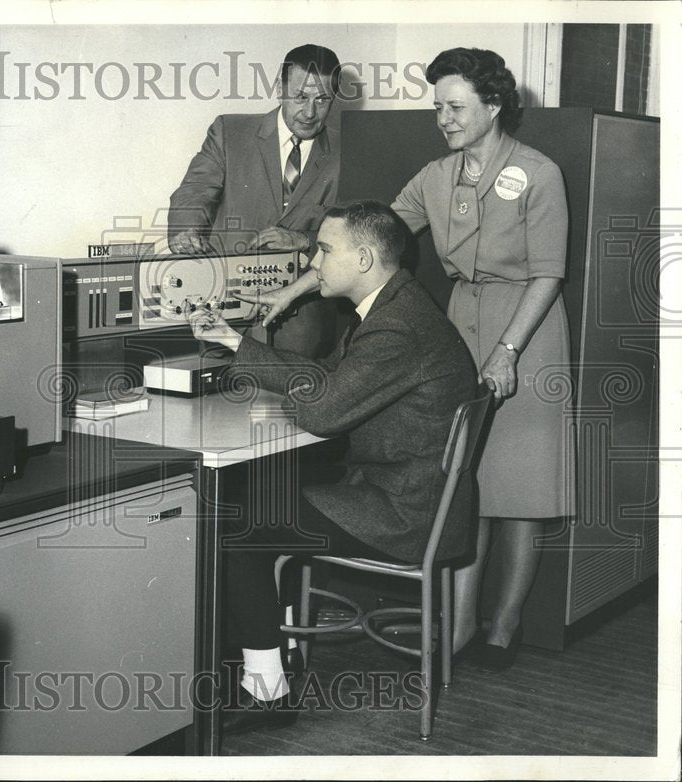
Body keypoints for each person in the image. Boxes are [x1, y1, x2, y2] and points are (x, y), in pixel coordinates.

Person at [255, 48, 575, 671]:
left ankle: (502, 632)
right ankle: (455, 630)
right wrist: (295, 287)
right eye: (438, 108)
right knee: (464, 482)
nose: (444, 120)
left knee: (522, 491)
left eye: (455, 107)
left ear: (494, 104)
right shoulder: (436, 177)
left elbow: (549, 273)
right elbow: (366, 241)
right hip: (464, 321)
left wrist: (509, 350)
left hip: (529, 331)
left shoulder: (539, 174)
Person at [189, 201, 477, 735]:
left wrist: (287, 384)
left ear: (364, 258)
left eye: (324, 250)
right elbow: (330, 376)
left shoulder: (396, 327)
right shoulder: (396, 305)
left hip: (402, 514)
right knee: (257, 491)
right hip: (412, 495)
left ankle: (267, 688)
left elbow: (324, 409)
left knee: (238, 521)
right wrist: (237, 344)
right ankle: (266, 653)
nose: (313, 262)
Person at [169, 43, 342, 357]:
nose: (309, 112)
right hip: (224, 317)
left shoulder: (347, 152)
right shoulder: (229, 131)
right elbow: (193, 192)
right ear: (279, 88)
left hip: (303, 331)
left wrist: (304, 239)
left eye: (322, 100)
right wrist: (187, 233)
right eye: (300, 97)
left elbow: (358, 234)